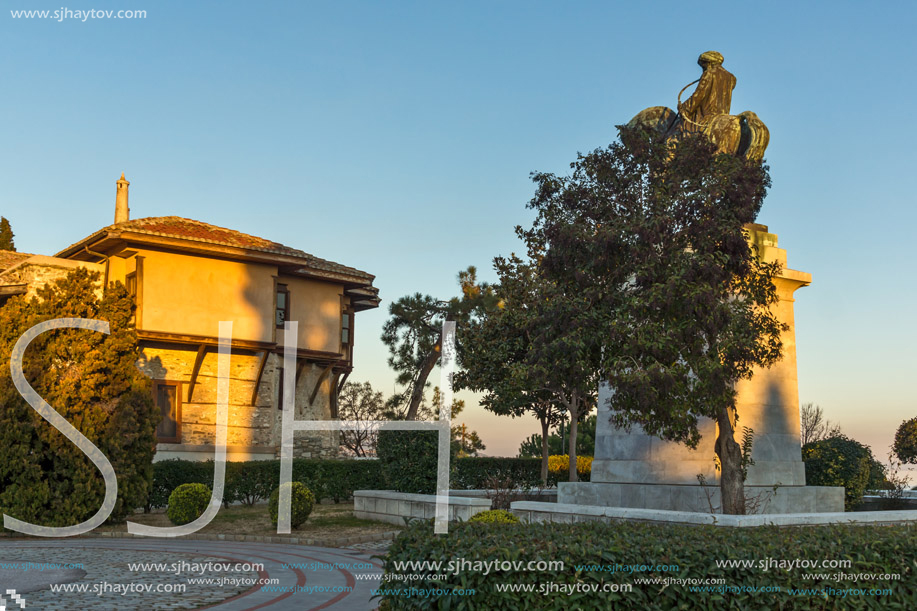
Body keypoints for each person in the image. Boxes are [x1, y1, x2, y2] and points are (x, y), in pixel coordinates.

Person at [674, 51, 736, 135]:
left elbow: (699, 95)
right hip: (723, 116)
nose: (703, 69)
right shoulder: (731, 78)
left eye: (703, 66)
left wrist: (684, 108)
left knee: (681, 132)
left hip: (706, 117)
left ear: (709, 63)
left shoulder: (709, 73)